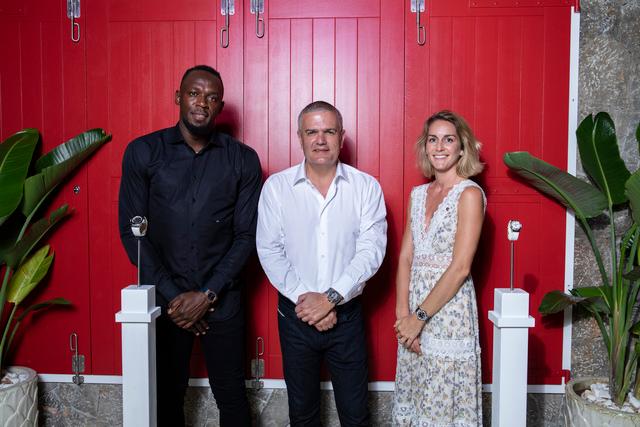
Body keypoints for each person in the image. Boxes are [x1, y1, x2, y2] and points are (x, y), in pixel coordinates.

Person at [118, 65, 262, 427]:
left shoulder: (243, 159)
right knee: (166, 395)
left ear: (220, 106)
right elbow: (132, 234)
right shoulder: (143, 152)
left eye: (212, 97)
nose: (202, 103)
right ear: (178, 98)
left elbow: (246, 236)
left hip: (222, 299)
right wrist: (177, 299)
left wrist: (206, 295)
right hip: (165, 301)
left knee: (232, 396)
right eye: (194, 93)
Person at [256, 101, 387, 426]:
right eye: (311, 132)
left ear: (341, 136)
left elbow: (371, 251)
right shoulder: (277, 188)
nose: (320, 139)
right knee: (302, 414)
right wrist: (308, 303)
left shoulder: (366, 187)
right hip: (295, 316)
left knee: (356, 415)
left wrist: (330, 299)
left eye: (329, 131)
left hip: (347, 317)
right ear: (299, 136)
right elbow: (269, 250)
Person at [392, 110, 485, 426]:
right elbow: (406, 257)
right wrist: (403, 318)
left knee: (441, 404)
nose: (440, 147)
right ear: (425, 146)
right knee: (416, 395)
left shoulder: (469, 194)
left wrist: (418, 318)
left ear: (462, 147)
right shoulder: (418, 194)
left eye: (448, 139)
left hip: (448, 312)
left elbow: (460, 268)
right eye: (433, 139)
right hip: (412, 312)